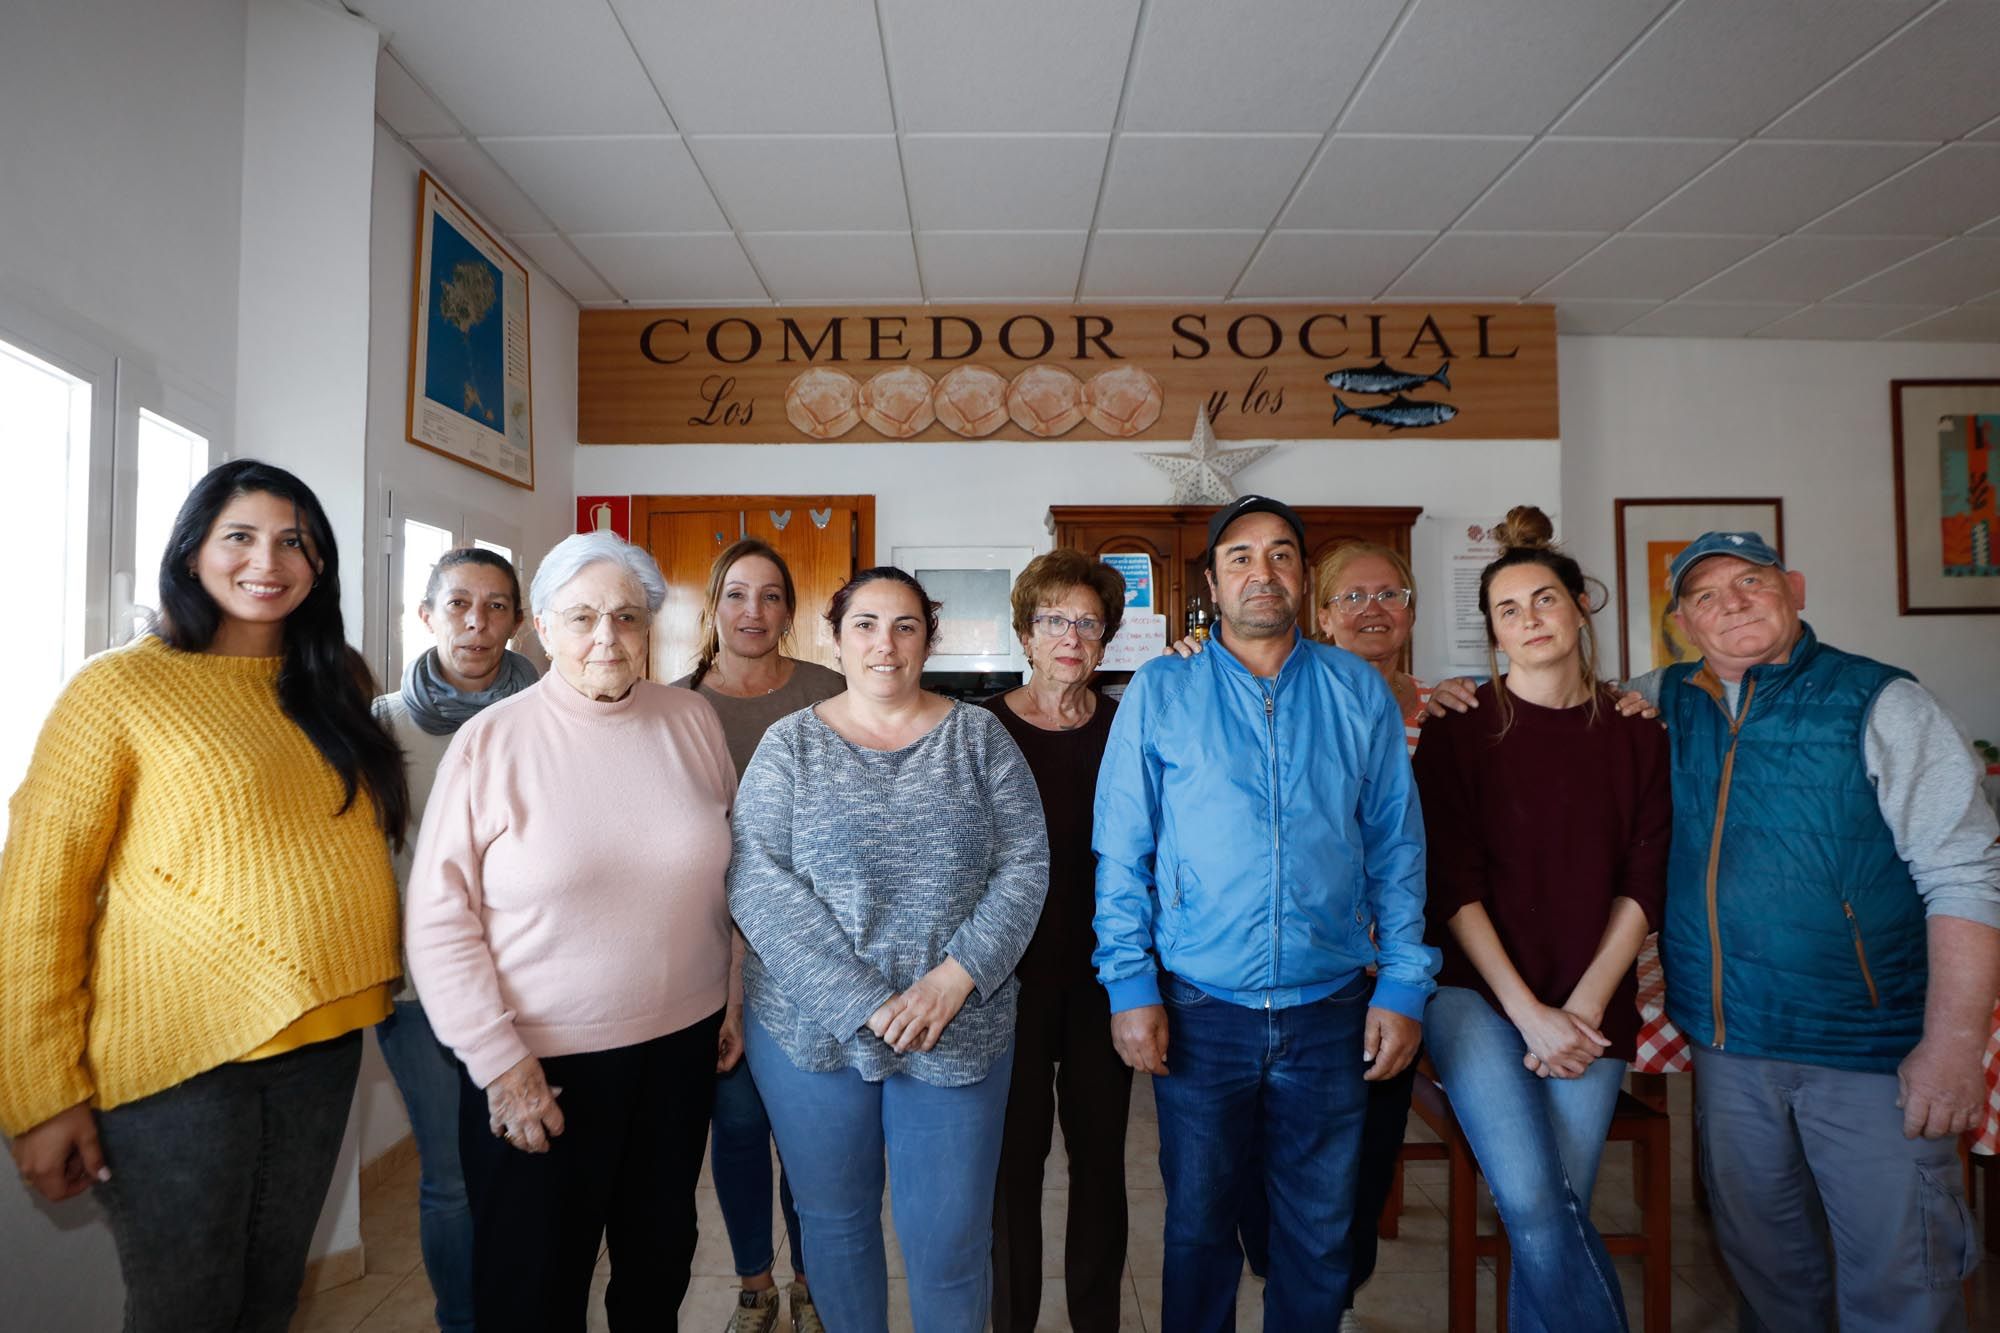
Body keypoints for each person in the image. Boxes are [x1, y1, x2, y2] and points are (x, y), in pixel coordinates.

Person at [0, 459, 409, 1333]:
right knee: (185, 1310)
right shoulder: (117, 687)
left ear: (319, 565)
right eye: (241, 536)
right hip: (178, 1065)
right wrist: (41, 1092)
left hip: (323, 1045)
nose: (269, 560)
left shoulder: (335, 684)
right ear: (192, 553)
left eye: (294, 541)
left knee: (265, 1304)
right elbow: (40, 898)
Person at [1636, 530, 2000, 1332]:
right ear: (1684, 623)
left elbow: (1967, 875)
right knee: (1771, 1274)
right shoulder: (1656, 702)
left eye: (1750, 580)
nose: (1730, 601)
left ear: (1793, 586)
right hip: (1730, 1049)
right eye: (1705, 594)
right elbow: (1554, 714)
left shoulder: (1882, 700)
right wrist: (1444, 694)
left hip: (1872, 1050)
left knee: (1902, 1280)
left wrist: (1951, 1048)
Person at [1094, 494, 1436, 1332]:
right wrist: (1128, 982)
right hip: (1202, 1008)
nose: (1262, 571)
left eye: (1281, 554)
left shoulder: (1358, 690)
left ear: (1302, 576)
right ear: (1212, 578)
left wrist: (1402, 983)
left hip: (1331, 1008)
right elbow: (1122, 850)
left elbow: (1396, 848)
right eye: (1240, 556)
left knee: (1318, 1236)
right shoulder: (1162, 688)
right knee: (1200, 1228)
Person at [404, 531, 736, 1332]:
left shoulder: (691, 719)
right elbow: (439, 919)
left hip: (678, 1051)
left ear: (649, 626)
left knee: (657, 1268)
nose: (605, 637)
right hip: (540, 1062)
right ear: (543, 628)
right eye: (581, 616)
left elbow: (732, 875)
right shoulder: (492, 741)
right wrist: (498, 1062)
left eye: (626, 616)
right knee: (533, 1289)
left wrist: (731, 997)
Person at [728, 567, 1048, 1333]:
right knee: (834, 1228)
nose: (885, 643)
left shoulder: (979, 739)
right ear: (834, 639)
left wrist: (954, 979)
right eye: (865, 624)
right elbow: (756, 878)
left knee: (951, 1247)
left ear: (928, 639)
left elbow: (1026, 864)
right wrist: (860, 999)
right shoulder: (790, 746)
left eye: (905, 625)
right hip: (812, 1034)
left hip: (958, 1027)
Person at [1412, 506, 1668, 1332]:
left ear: (1579, 605)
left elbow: (1644, 880)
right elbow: (1452, 885)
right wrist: (1528, 1012)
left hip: (1593, 995)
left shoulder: (1639, 733)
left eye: (1545, 599)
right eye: (1509, 609)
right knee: (1531, 1197)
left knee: (1557, 1202)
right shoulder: (1458, 730)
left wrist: (1586, 1007)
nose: (1531, 619)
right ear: (1491, 631)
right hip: (1476, 994)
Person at [668, 538, 843, 1333]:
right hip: (712, 951)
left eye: (771, 597)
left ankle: (811, 1281)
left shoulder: (830, 693)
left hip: (815, 950)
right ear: (714, 605)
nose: (753, 612)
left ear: (789, 610)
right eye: (737, 595)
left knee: (811, 1133)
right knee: (737, 1125)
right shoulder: (673, 706)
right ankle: (755, 1284)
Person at [372, 547, 537, 1333]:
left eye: (497, 605)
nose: (477, 622)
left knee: (533, 1166)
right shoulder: (381, 725)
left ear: (519, 618)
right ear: (427, 614)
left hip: (539, 980)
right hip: (420, 992)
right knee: (452, 1179)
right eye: (459, 604)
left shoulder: (552, 712)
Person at [983, 549, 1131, 1333]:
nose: (1070, 635)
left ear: (1106, 640)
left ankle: (1096, 1319)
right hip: (1005, 983)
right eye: (1052, 620)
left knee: (1102, 1163)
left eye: (1087, 621)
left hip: (1107, 978)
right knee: (1012, 1167)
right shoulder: (981, 729)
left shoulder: (1129, 724)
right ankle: (1011, 1320)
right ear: (1026, 634)